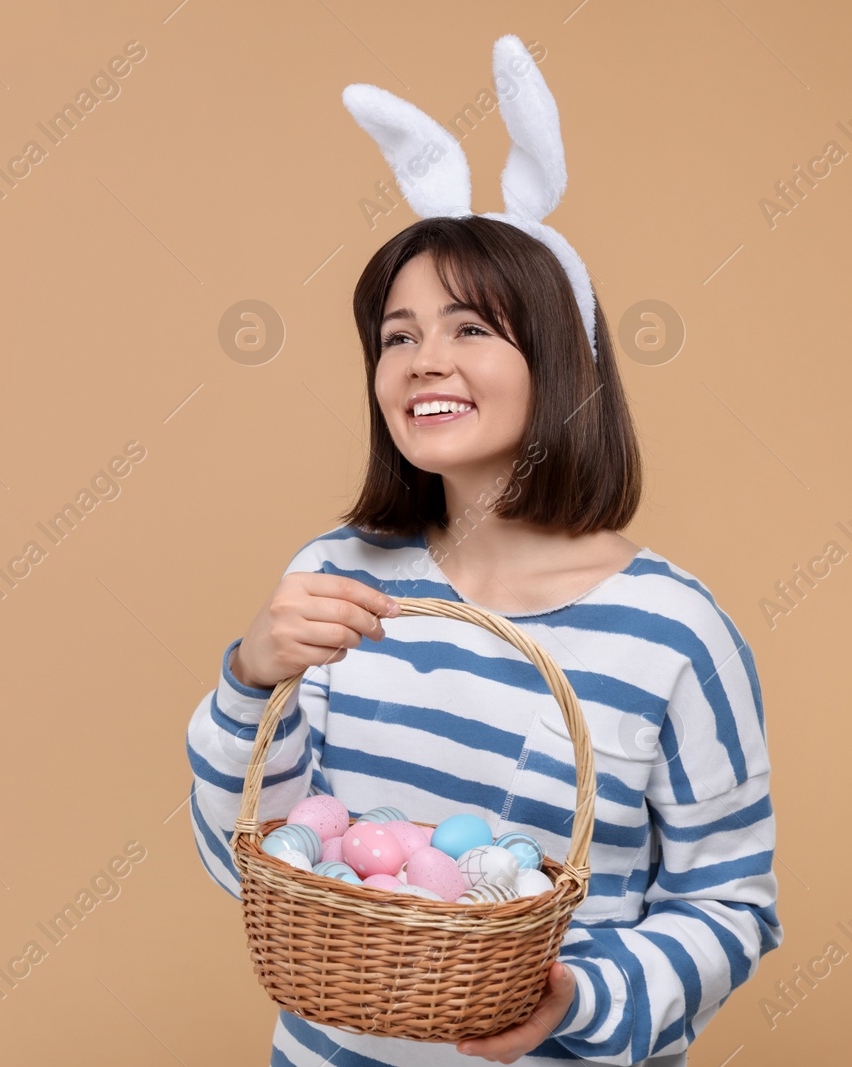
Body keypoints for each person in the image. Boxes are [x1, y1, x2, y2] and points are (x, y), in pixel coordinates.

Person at [185, 215, 781, 1066]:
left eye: (471, 327)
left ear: (562, 359)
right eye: (399, 336)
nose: (425, 358)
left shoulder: (675, 631)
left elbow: (731, 907)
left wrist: (580, 997)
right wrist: (249, 681)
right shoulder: (335, 577)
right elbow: (257, 865)